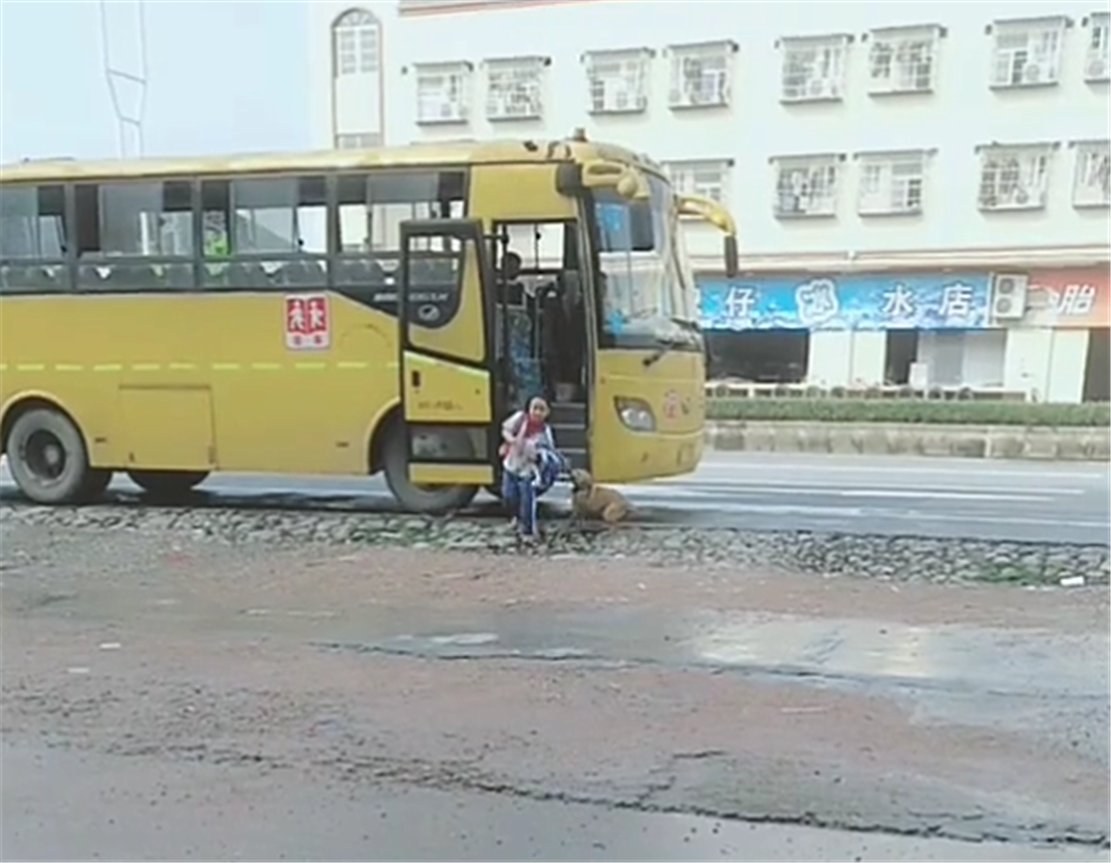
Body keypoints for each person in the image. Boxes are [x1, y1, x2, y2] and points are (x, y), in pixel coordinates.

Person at [500, 396, 563, 541]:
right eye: (535, 408)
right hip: (511, 464)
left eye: (542, 409)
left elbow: (548, 451)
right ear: (529, 409)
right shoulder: (520, 419)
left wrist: (537, 455)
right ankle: (516, 518)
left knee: (527, 501)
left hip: (528, 470)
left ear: (547, 412)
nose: (537, 412)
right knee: (508, 496)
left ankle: (527, 531)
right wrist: (511, 441)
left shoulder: (545, 432)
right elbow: (506, 430)